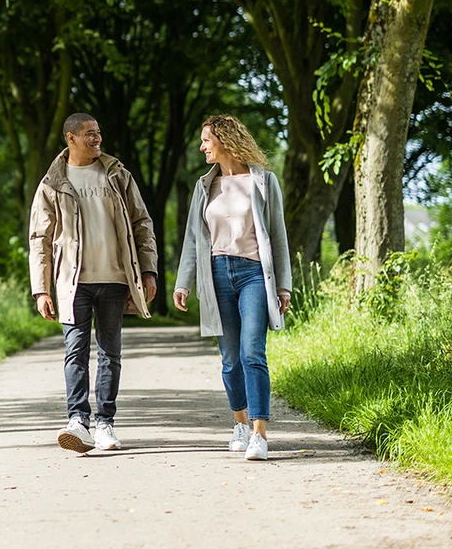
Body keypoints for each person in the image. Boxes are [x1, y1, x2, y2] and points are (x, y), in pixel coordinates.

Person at [29, 112, 158, 454]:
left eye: (98, 132)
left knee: (110, 353)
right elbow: (39, 238)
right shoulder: (52, 183)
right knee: (75, 352)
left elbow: (141, 222)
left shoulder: (117, 174)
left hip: (115, 278)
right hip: (72, 283)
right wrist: (41, 289)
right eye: (89, 133)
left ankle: (105, 423)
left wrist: (148, 270)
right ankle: (77, 421)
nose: (96, 138)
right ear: (70, 138)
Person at [173, 114, 292, 461]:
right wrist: (184, 282)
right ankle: (239, 423)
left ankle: (259, 434)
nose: (202, 146)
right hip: (217, 275)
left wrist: (283, 286)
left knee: (251, 352)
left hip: (255, 273)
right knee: (229, 359)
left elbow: (279, 234)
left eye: (206, 140)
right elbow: (194, 239)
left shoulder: (263, 182)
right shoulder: (204, 186)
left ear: (224, 140)